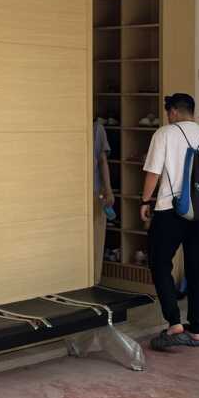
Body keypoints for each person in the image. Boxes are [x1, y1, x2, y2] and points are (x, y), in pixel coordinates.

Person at [139, 93, 199, 351]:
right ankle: (195, 331)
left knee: (160, 262)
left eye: (168, 112)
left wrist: (145, 201)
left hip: (170, 210)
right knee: (198, 269)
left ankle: (174, 324)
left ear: (174, 111)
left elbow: (153, 172)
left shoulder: (164, 134)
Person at [92, 119, 114, 280]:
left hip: (94, 190)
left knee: (95, 240)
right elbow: (102, 161)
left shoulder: (97, 128)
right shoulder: (96, 128)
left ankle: (93, 279)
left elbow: (102, 161)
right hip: (85, 190)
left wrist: (108, 189)